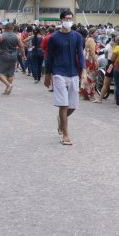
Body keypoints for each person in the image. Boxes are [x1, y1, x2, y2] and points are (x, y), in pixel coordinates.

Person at [44, 10, 87, 146]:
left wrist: (84, 70)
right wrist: (47, 74)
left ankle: (61, 120)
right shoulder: (54, 38)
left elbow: (80, 54)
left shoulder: (77, 36)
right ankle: (66, 134)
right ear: (61, 20)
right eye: (66, 18)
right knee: (64, 104)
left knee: (73, 106)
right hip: (58, 73)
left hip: (73, 73)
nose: (69, 20)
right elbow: (49, 57)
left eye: (71, 18)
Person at [0, 23, 24, 95]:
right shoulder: (17, 37)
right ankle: (7, 90)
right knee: (10, 73)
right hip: (13, 56)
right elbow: (21, 47)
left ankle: (8, 85)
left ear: (5, 28)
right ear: (12, 28)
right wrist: (23, 55)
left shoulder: (0, 36)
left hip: (4, 56)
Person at [80, 29, 99, 101]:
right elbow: (92, 52)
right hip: (90, 61)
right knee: (91, 77)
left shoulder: (88, 39)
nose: (97, 33)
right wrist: (96, 61)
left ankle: (86, 94)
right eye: (96, 32)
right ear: (92, 34)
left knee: (87, 76)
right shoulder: (91, 40)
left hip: (87, 60)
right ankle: (91, 94)